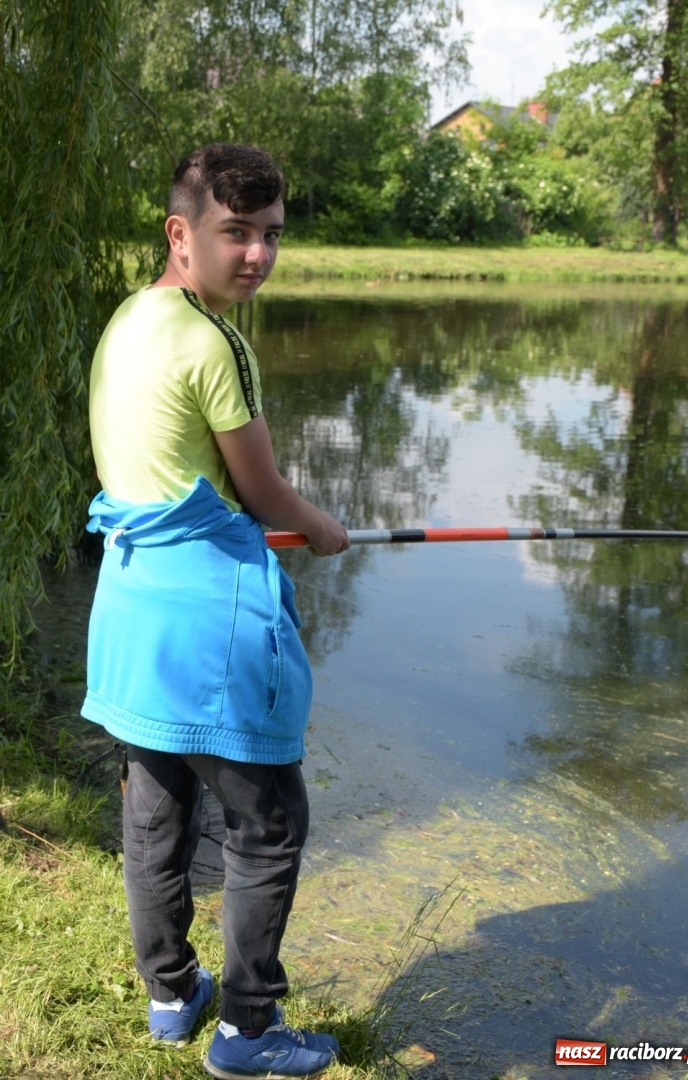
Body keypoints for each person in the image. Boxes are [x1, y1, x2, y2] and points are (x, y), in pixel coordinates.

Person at [81, 143, 349, 1079]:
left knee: (157, 811)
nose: (258, 257)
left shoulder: (130, 318)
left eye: (271, 236)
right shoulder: (213, 341)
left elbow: (162, 473)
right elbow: (267, 492)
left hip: (130, 611)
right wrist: (321, 528)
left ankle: (170, 995)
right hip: (210, 623)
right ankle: (246, 1030)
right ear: (180, 232)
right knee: (268, 820)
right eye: (236, 233)